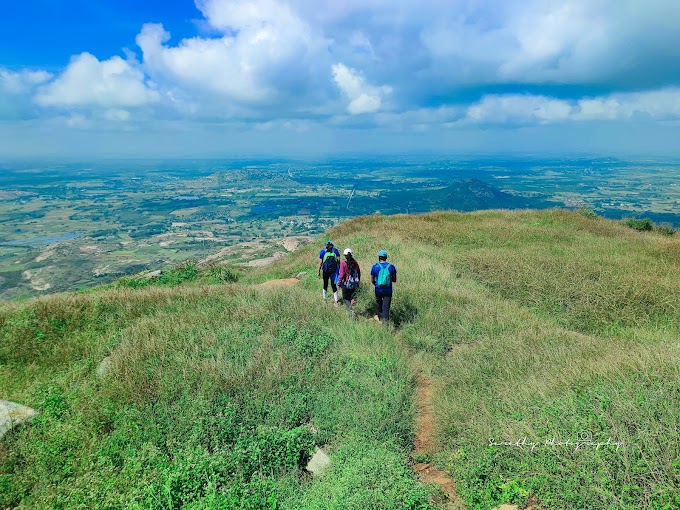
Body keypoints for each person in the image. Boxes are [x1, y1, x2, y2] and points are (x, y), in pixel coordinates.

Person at [370, 250, 397, 323]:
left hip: (378, 289)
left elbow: (372, 280)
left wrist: (376, 284)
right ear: (386, 257)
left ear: (379, 257)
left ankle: (380, 318)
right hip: (388, 290)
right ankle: (385, 324)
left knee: (378, 303)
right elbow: (394, 280)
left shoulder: (375, 267)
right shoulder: (391, 267)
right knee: (386, 307)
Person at [317, 240, 340, 304]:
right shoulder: (336, 251)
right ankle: (336, 301)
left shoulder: (323, 252)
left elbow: (320, 263)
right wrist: (339, 270)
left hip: (325, 271)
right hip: (333, 271)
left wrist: (318, 271)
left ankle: (324, 299)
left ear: (326, 245)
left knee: (325, 284)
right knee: (333, 285)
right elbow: (338, 262)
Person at [338, 248, 361, 313]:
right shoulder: (355, 262)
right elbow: (359, 272)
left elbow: (341, 275)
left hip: (346, 283)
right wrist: (358, 282)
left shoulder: (343, 263)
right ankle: (352, 304)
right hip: (354, 284)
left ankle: (351, 310)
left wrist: (339, 283)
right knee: (351, 296)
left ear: (345, 255)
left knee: (345, 298)